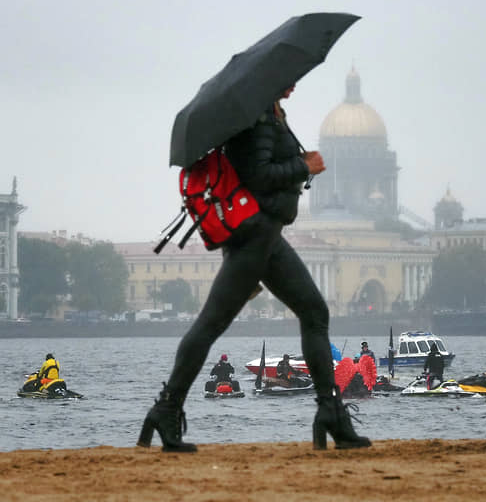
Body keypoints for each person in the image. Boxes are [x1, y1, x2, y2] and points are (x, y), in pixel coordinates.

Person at [139, 85, 370, 452]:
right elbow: (258, 175)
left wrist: (299, 166)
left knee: (314, 311)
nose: (296, 83)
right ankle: (167, 408)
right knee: (211, 323)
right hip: (255, 238)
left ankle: (330, 412)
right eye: (291, 78)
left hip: (267, 236)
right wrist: (304, 166)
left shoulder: (271, 111)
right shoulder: (259, 117)